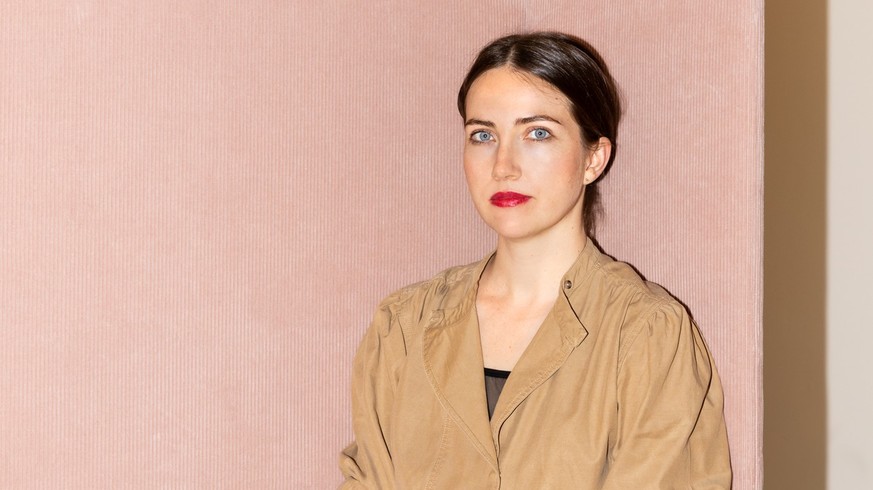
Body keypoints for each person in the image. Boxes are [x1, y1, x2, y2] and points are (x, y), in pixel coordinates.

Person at [339, 32, 731, 489]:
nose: (503, 165)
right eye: (483, 135)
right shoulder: (405, 325)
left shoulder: (647, 334)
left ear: (593, 158)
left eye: (537, 133)